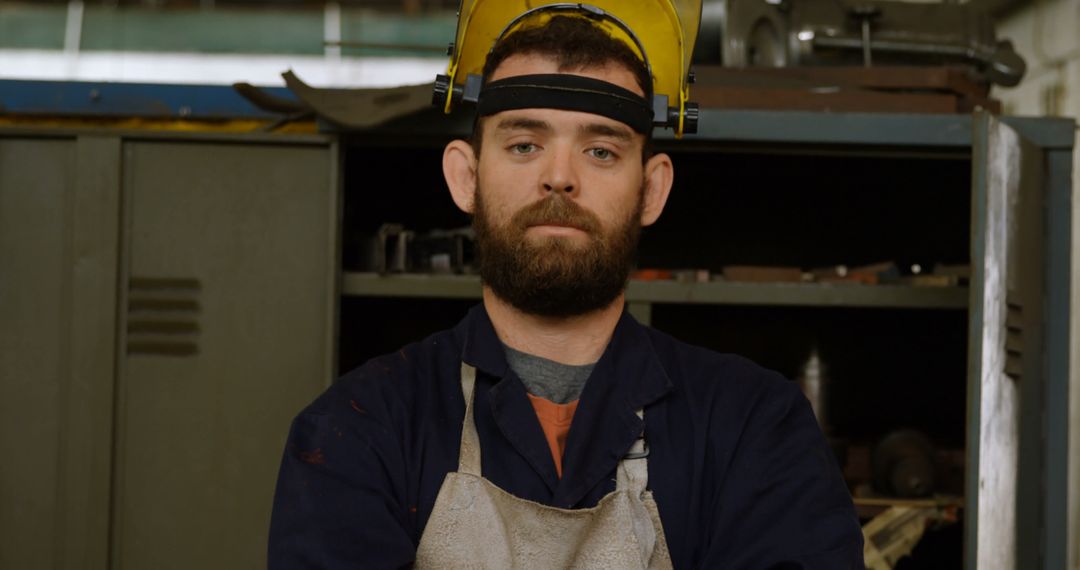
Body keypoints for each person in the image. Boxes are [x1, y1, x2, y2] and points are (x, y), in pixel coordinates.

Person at [268, 12, 863, 570]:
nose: (560, 176)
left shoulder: (753, 428)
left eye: (600, 150)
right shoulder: (359, 429)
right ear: (466, 177)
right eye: (524, 145)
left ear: (651, 191)